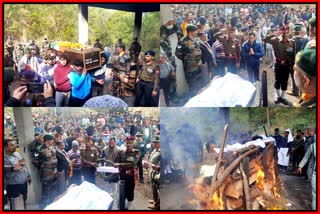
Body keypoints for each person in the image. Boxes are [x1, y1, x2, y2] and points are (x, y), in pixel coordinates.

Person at [4, 139, 31, 210]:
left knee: (23, 201)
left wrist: (28, 175)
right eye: (11, 145)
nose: (14, 146)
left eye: (14, 144)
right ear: (5, 147)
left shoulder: (16, 154)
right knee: (15, 204)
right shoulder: (4, 157)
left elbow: (23, 164)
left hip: (23, 182)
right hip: (14, 185)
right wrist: (13, 168)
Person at [114, 136, 140, 210]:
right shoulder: (121, 152)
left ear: (133, 143)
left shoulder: (136, 153)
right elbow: (117, 161)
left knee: (130, 190)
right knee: (122, 190)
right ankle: (121, 203)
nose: (128, 144)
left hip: (131, 175)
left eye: (130, 143)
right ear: (125, 143)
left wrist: (120, 164)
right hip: (122, 175)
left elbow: (133, 164)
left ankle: (129, 204)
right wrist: (116, 164)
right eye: (127, 143)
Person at [176, 25, 202, 98]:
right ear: (191, 32)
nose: (197, 32)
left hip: (198, 65)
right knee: (192, 84)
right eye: (195, 30)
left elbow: (198, 49)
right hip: (190, 67)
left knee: (198, 83)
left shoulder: (195, 39)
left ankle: (197, 97)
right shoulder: (182, 41)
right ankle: (191, 99)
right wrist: (187, 58)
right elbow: (177, 53)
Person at [271, 28, 295, 105]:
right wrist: (275, 34)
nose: (285, 34)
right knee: (277, 81)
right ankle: (277, 96)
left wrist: (293, 65)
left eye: (287, 32)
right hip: (278, 65)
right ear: (281, 33)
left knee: (285, 81)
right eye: (283, 33)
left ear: (289, 33)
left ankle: (283, 97)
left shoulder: (292, 43)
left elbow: (293, 55)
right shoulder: (276, 41)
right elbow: (265, 39)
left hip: (287, 65)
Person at [38, 134, 58, 208]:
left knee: (53, 191)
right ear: (47, 140)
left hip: (54, 173)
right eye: (52, 140)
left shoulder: (52, 148)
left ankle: (51, 206)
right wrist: (43, 155)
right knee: (46, 192)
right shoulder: (41, 148)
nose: (53, 141)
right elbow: (36, 160)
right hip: (46, 174)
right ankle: (43, 207)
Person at [297, 136, 316, 210]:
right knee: (315, 193)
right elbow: (306, 157)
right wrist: (300, 166)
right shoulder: (313, 146)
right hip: (315, 173)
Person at [143, 135, 160, 210]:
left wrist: (151, 165)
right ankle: (155, 201)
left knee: (159, 189)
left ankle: (157, 205)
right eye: (154, 142)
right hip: (152, 171)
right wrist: (147, 163)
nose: (154, 144)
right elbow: (151, 160)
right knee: (153, 188)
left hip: (158, 173)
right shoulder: (155, 150)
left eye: (156, 142)